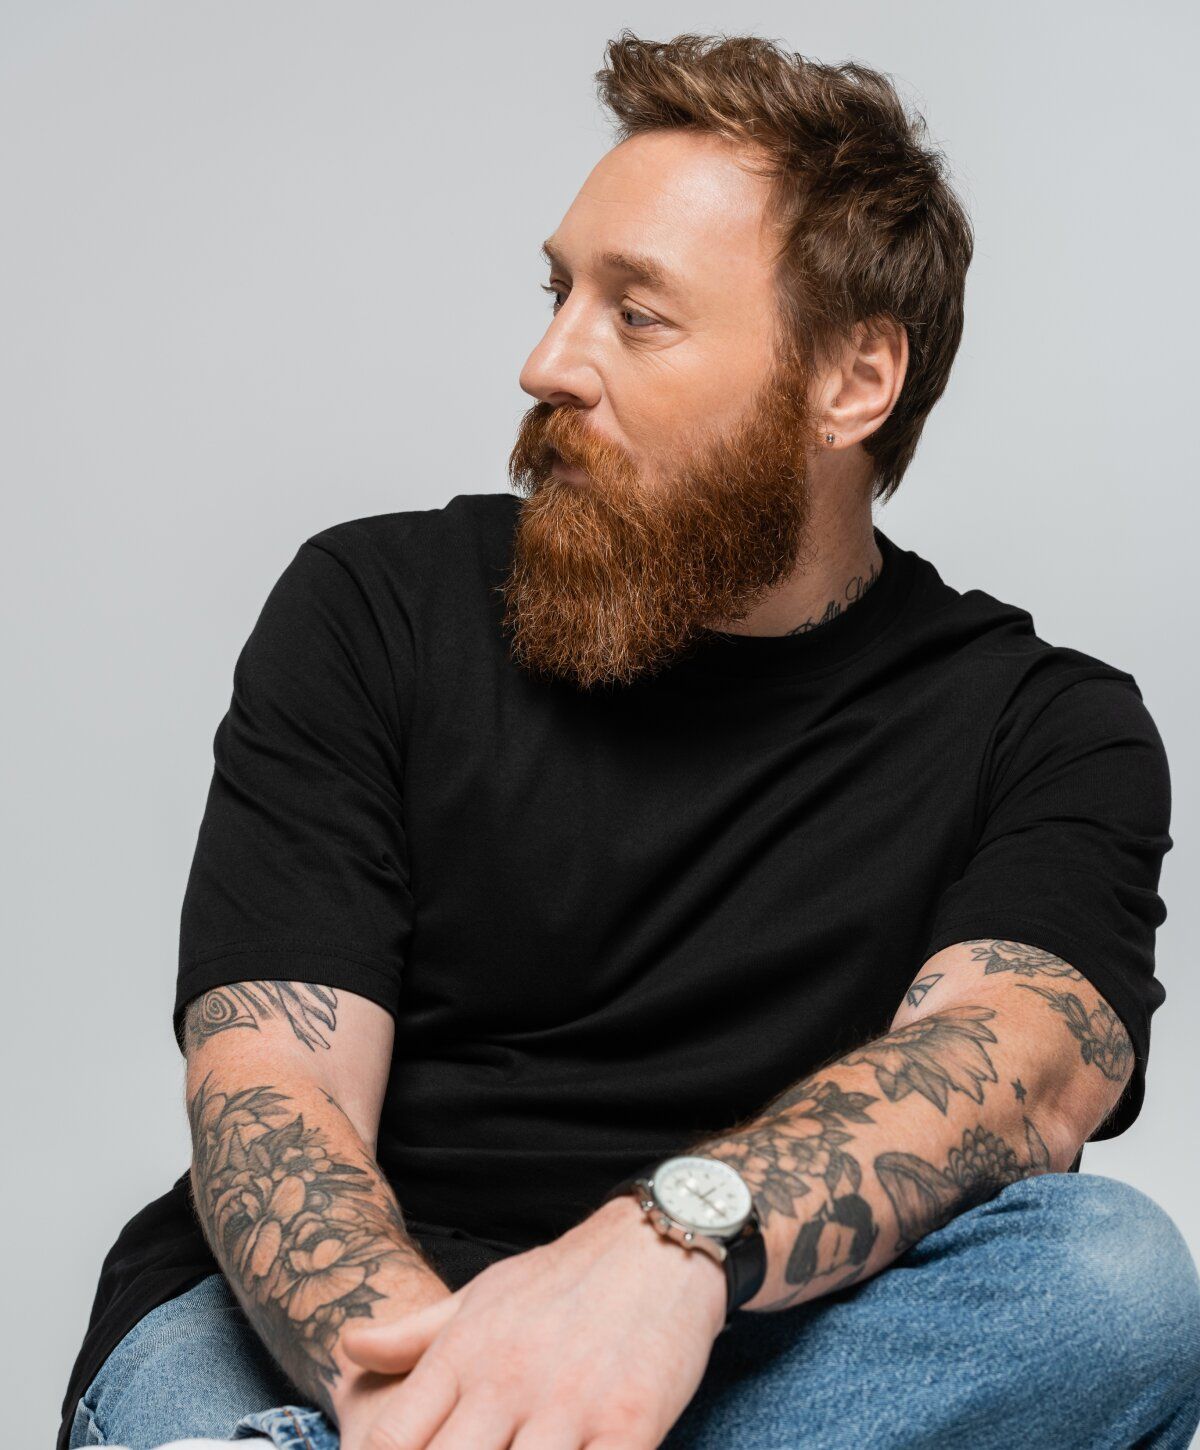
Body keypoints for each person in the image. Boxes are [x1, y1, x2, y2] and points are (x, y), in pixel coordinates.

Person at [60, 29, 1200, 1450]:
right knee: (199, 1379)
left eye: (637, 314)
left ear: (854, 380)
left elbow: (1015, 1069)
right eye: (559, 293)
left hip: (759, 1354)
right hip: (327, 1349)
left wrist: (670, 1254)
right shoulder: (371, 606)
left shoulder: (1049, 726)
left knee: (1112, 1280)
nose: (547, 363)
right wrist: (446, 1399)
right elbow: (272, 1090)